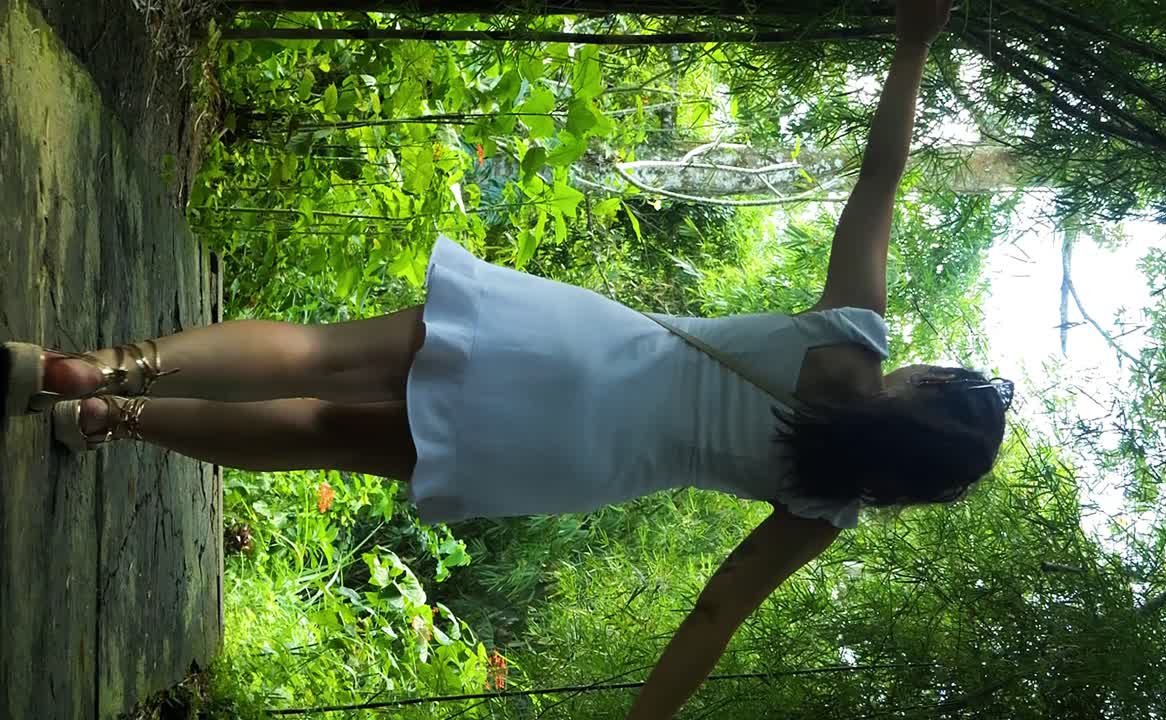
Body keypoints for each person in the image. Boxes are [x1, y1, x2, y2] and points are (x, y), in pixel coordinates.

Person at [1, 0, 1007, 716]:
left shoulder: (850, 337)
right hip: (565, 458)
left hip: (581, 345)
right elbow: (713, 612)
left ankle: (106, 369)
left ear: (923, 390)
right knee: (320, 436)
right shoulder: (824, 506)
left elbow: (880, 174)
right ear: (909, 480)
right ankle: (114, 424)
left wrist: (912, 42)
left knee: (320, 354)